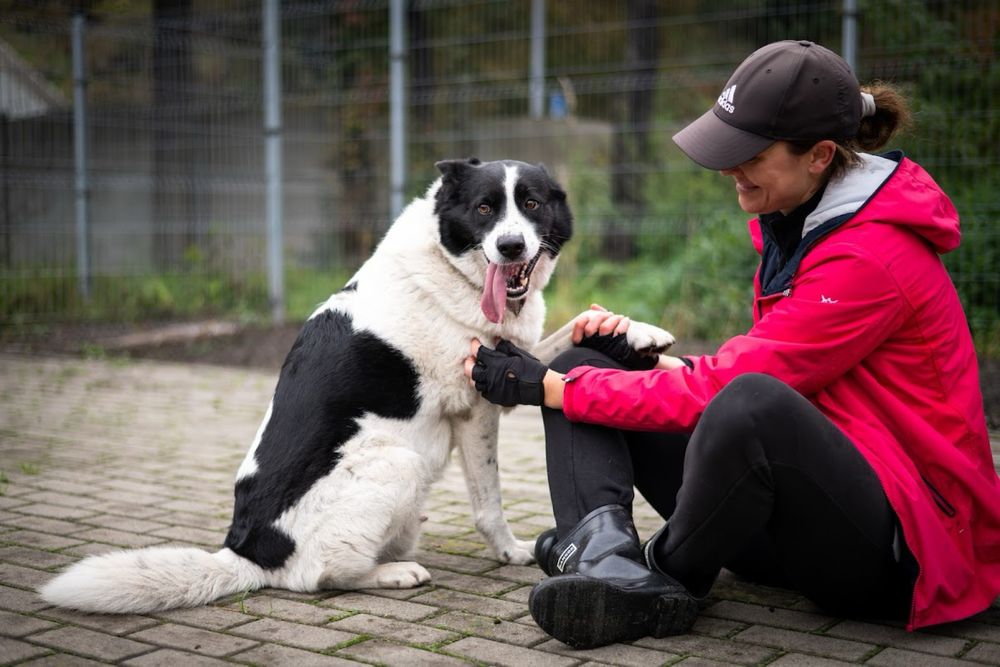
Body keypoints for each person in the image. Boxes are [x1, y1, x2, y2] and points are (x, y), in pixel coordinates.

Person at [462, 40, 1000, 650]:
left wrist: (548, 387)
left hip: (907, 555)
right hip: (807, 527)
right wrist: (649, 364)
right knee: (590, 362)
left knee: (727, 401)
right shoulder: (802, 222)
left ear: (820, 155)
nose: (728, 168)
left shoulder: (870, 255)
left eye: (749, 154)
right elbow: (783, 371)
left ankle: (661, 581)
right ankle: (603, 559)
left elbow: (742, 394)